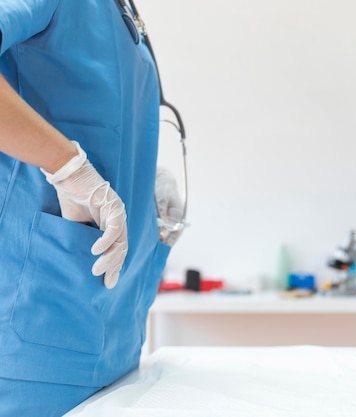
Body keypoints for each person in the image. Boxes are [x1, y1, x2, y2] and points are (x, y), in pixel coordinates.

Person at [0, 1, 179, 415]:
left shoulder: (117, 10)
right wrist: (67, 167)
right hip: (33, 342)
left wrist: (142, 185)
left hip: (112, 339)